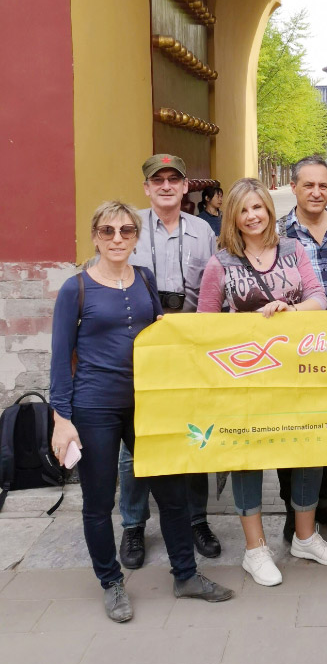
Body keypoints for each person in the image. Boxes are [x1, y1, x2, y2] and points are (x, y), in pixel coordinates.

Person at [49, 201, 233, 622]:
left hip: (148, 403)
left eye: (126, 231)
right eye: (108, 231)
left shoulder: (145, 278)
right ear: (95, 235)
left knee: (172, 494)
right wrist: (61, 419)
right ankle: (111, 583)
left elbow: (164, 333)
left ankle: (185, 575)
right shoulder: (75, 288)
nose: (117, 239)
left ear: (135, 237)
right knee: (98, 501)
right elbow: (60, 358)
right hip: (94, 406)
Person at [198, 177, 327, 585]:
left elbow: (320, 297)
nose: (252, 216)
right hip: (245, 377)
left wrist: (293, 310)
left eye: (258, 207)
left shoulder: (293, 250)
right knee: (249, 457)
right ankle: (255, 549)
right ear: (233, 216)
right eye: (243, 210)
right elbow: (205, 325)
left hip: (298, 372)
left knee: (307, 448)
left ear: (268, 210)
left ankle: (305, 535)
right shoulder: (220, 264)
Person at [119, 155, 220, 570]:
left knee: (194, 433)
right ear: (146, 188)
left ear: (184, 187)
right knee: (137, 440)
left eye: (172, 180)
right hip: (140, 346)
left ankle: (197, 519)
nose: (164, 186)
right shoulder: (129, 229)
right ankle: (133, 524)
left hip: (190, 344)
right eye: (156, 180)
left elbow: (215, 285)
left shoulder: (203, 231)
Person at [276, 156, 327, 539]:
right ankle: (294, 508)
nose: (316, 192)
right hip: (291, 351)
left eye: (323, 185)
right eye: (308, 185)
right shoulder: (275, 233)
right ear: (293, 187)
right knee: (291, 429)